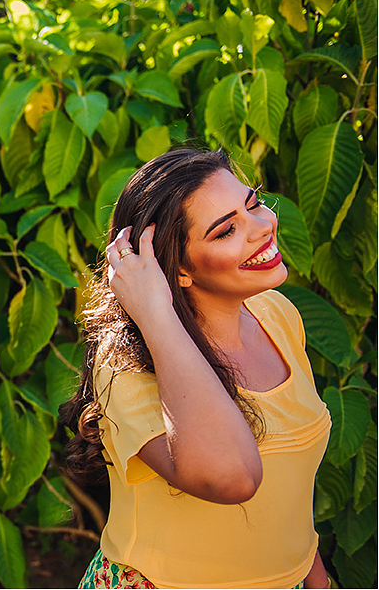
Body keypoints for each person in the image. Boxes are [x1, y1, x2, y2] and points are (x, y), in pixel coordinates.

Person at [62, 149, 331, 589]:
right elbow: (233, 478)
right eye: (226, 230)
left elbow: (289, 504)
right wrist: (155, 314)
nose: (264, 227)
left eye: (254, 204)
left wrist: (313, 577)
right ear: (179, 268)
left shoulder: (276, 315)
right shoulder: (127, 365)